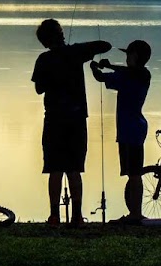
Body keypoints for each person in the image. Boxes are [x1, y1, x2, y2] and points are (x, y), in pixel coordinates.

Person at [31, 18, 111, 226]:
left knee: (54, 169)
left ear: (44, 41)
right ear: (61, 35)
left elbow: (39, 88)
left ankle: (54, 216)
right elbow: (105, 46)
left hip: (54, 119)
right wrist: (79, 49)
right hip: (76, 119)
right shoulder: (76, 53)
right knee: (74, 168)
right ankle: (77, 216)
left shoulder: (43, 60)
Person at [90, 39, 152, 225]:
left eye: (128, 55)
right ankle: (134, 212)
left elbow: (101, 78)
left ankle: (135, 214)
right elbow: (127, 72)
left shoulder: (135, 76)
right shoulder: (137, 75)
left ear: (135, 56)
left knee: (134, 174)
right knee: (132, 173)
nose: (126, 59)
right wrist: (110, 66)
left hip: (131, 130)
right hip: (130, 130)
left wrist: (95, 67)